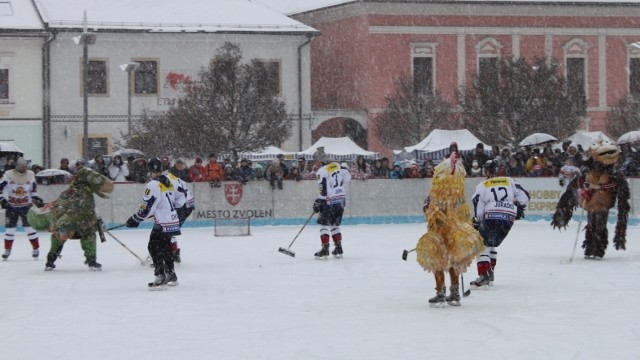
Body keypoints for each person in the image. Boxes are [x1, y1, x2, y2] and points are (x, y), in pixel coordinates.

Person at [416, 152, 484, 307]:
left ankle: (444, 292)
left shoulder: (444, 196)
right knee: (447, 259)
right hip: (445, 232)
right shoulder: (452, 197)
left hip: (445, 233)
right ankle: (451, 292)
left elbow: (428, 209)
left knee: (442, 260)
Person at [470, 159, 530, 288]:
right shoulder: (510, 181)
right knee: (491, 243)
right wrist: (518, 208)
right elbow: (525, 197)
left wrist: (478, 220)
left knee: (481, 243)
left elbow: (477, 203)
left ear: (487, 171)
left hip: (491, 214)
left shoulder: (483, 185)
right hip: (508, 216)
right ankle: (490, 274)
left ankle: (484, 275)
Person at [125, 158, 180, 290]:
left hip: (162, 222)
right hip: (171, 220)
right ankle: (170, 273)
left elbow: (148, 205)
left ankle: (160, 275)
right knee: (166, 247)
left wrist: (135, 218)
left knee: (153, 247)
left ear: (149, 170)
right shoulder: (168, 182)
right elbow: (167, 202)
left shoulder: (152, 185)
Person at [0, 158, 44, 260]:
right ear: (17, 166)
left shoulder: (30, 175)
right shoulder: (8, 175)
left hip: (26, 207)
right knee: (10, 230)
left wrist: (36, 199)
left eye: (25, 167)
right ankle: (7, 250)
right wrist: (2, 200)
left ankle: (36, 248)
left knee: (30, 228)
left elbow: (33, 190)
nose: (23, 169)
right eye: (21, 167)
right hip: (12, 207)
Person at [312, 159, 351, 259]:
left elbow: (323, 191)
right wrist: (336, 187)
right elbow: (348, 176)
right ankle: (338, 247)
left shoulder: (321, 171)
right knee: (334, 224)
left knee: (323, 224)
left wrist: (319, 201)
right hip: (341, 200)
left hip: (330, 201)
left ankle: (325, 248)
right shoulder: (337, 166)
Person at [164, 166, 196, 264]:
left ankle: (170, 254)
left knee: (169, 230)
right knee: (171, 230)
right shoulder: (178, 180)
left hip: (183, 206)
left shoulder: (166, 179)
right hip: (188, 205)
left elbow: (171, 198)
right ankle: (174, 254)